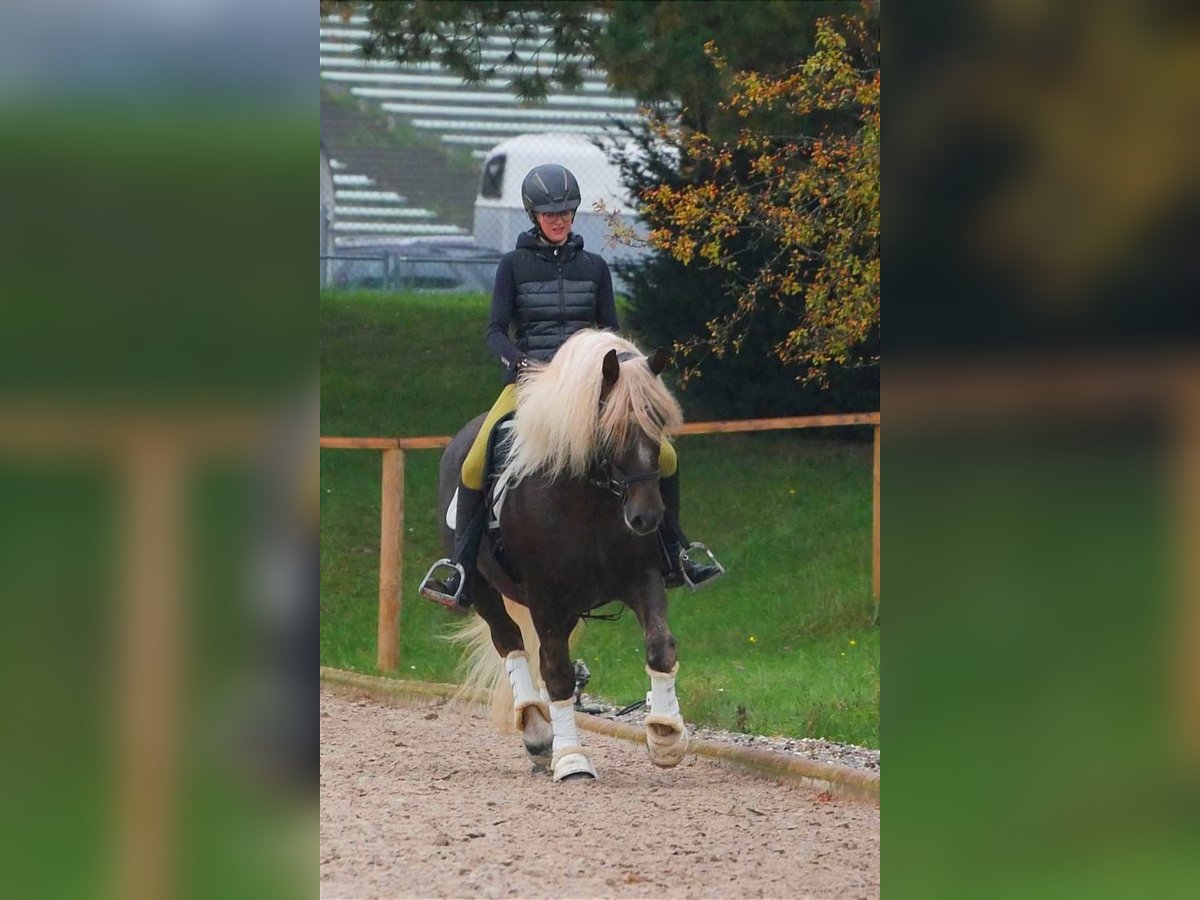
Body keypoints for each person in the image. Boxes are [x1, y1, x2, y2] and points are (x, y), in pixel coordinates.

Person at [419, 164, 723, 609]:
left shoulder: (595, 267)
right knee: (474, 461)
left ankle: (677, 553)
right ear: (532, 215)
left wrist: (628, 372)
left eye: (565, 211)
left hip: (589, 391)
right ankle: (461, 569)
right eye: (549, 213)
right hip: (531, 386)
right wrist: (520, 361)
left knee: (667, 455)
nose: (559, 219)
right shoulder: (512, 266)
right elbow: (495, 331)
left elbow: (611, 332)